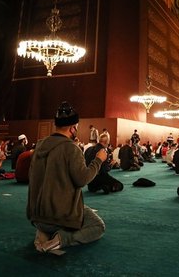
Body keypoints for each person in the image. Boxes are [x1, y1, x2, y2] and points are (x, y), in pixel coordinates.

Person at [28, 101, 107, 254]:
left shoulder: (39, 145)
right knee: (98, 226)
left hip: (36, 215)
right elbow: (82, 179)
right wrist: (98, 160)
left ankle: (43, 232)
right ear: (73, 128)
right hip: (59, 215)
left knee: (55, 216)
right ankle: (60, 239)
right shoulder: (71, 148)